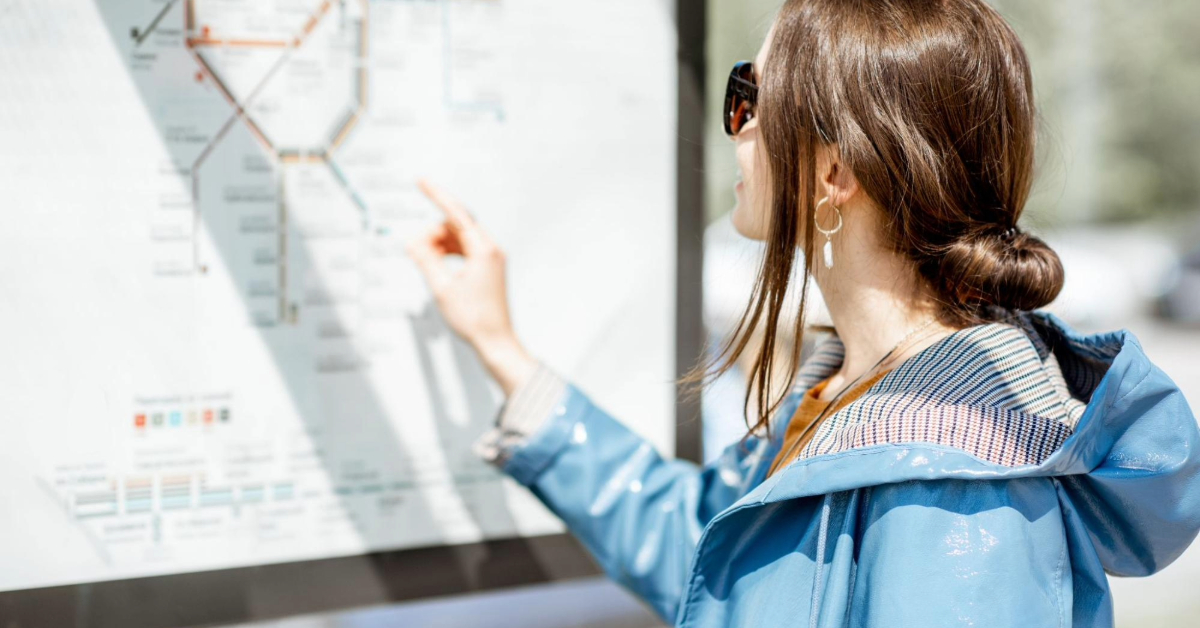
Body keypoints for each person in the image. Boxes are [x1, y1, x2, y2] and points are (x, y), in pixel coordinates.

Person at [405, 1, 1200, 625]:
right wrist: (501, 350)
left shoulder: (960, 481)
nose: (737, 130)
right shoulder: (850, 393)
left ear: (833, 172)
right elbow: (711, 557)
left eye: (749, 99)